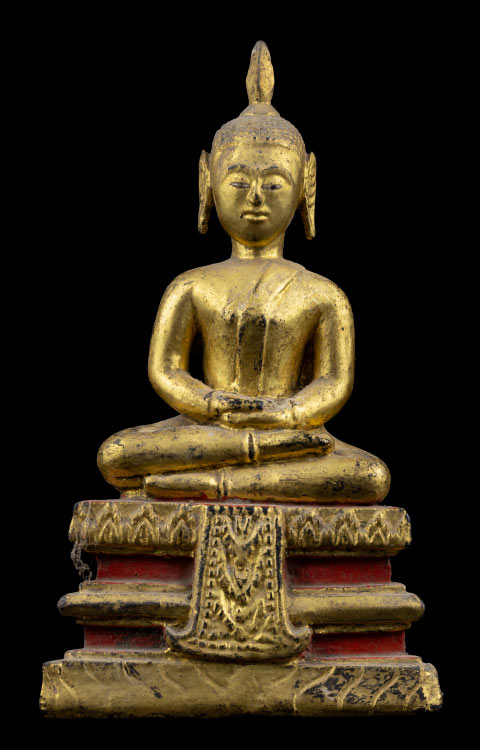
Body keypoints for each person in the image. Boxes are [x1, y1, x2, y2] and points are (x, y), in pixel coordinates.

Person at [98, 42, 390, 504]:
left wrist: (287, 414)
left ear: (305, 187)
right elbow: (165, 370)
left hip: (288, 429)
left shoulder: (322, 294)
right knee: (116, 453)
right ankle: (248, 469)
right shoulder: (192, 285)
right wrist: (214, 405)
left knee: (369, 475)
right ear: (207, 183)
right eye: (238, 181)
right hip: (210, 429)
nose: (255, 196)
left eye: (273, 183)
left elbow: (334, 383)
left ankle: (214, 484)